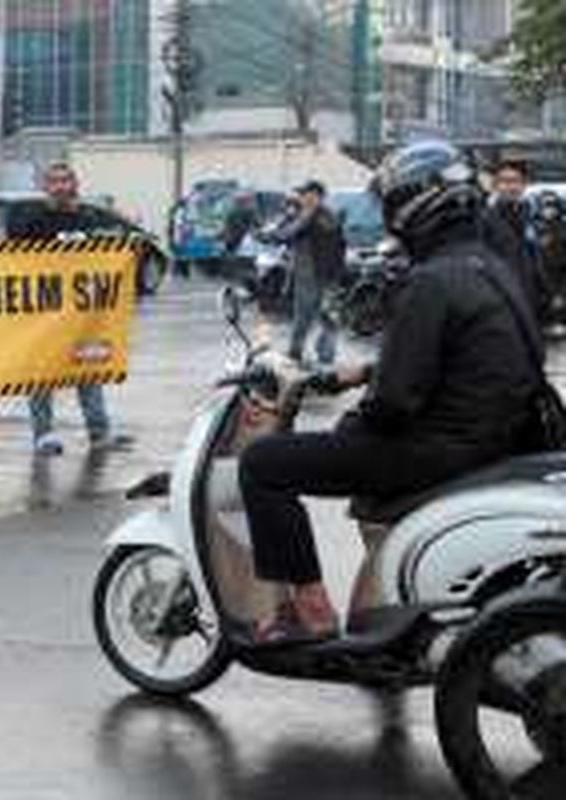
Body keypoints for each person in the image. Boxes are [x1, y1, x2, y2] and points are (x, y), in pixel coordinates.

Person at [238, 141, 540, 645]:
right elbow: (459, 353)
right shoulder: (490, 268)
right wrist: (359, 373)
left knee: (265, 464)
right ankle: (378, 610)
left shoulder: (431, 282)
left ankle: (308, 611)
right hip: (488, 437)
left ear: (413, 207)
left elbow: (394, 402)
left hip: (439, 449)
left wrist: (355, 420)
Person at [6, 161, 133, 456]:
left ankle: (99, 433)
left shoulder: (86, 220)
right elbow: (11, 257)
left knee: (89, 370)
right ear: (45, 187)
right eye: (54, 181)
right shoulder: (33, 222)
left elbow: (104, 258)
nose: (61, 186)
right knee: (42, 373)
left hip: (81, 315)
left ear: (75, 184)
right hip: (44, 313)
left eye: (66, 181)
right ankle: (43, 435)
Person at [265, 180, 345, 366]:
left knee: (311, 316)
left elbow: (287, 234)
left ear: (316, 196)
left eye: (305, 194)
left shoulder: (315, 216)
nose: (301, 197)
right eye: (301, 194)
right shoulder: (320, 215)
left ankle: (302, 354)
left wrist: (270, 235)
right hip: (322, 275)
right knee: (324, 317)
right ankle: (319, 356)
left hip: (314, 275)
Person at [482, 159, 548, 320]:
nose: (511, 187)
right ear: (495, 185)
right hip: (502, 299)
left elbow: (536, 257)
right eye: (504, 182)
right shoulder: (486, 219)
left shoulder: (529, 216)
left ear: (524, 185)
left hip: (530, 297)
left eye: (516, 181)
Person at [534, 191, 566, 325]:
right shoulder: (532, 229)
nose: (549, 210)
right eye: (546, 206)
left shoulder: (562, 230)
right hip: (538, 282)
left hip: (558, 278)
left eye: (552, 206)